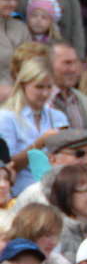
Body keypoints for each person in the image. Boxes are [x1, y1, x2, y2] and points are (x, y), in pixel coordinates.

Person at [0, 58, 69, 193]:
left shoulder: (59, 116)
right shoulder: (6, 117)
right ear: (23, 85)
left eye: (49, 87)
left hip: (56, 189)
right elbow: (8, 165)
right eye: (39, 87)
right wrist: (40, 143)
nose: (45, 93)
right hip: (21, 191)